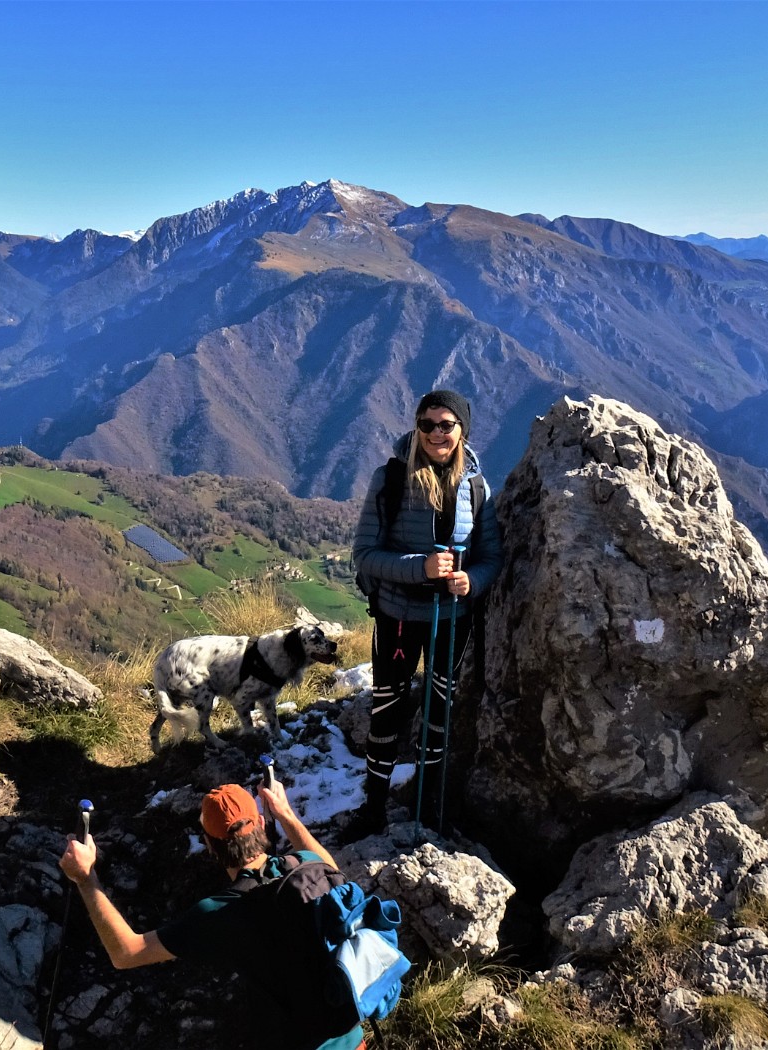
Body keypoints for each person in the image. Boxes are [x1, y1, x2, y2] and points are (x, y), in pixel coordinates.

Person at [57, 780, 366, 1050]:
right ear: (260, 822)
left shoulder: (220, 911)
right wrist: (285, 814)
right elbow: (331, 868)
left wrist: (86, 878)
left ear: (209, 845)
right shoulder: (307, 867)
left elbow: (126, 953)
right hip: (350, 1036)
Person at [344, 389, 502, 841]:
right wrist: (421, 569)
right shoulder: (390, 478)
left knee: (440, 711)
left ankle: (428, 806)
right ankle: (373, 807)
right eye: (428, 424)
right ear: (417, 427)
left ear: (462, 430)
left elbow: (490, 556)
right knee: (388, 711)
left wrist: (471, 581)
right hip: (396, 617)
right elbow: (364, 554)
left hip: (451, 618)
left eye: (446, 424)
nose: (436, 433)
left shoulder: (476, 487)